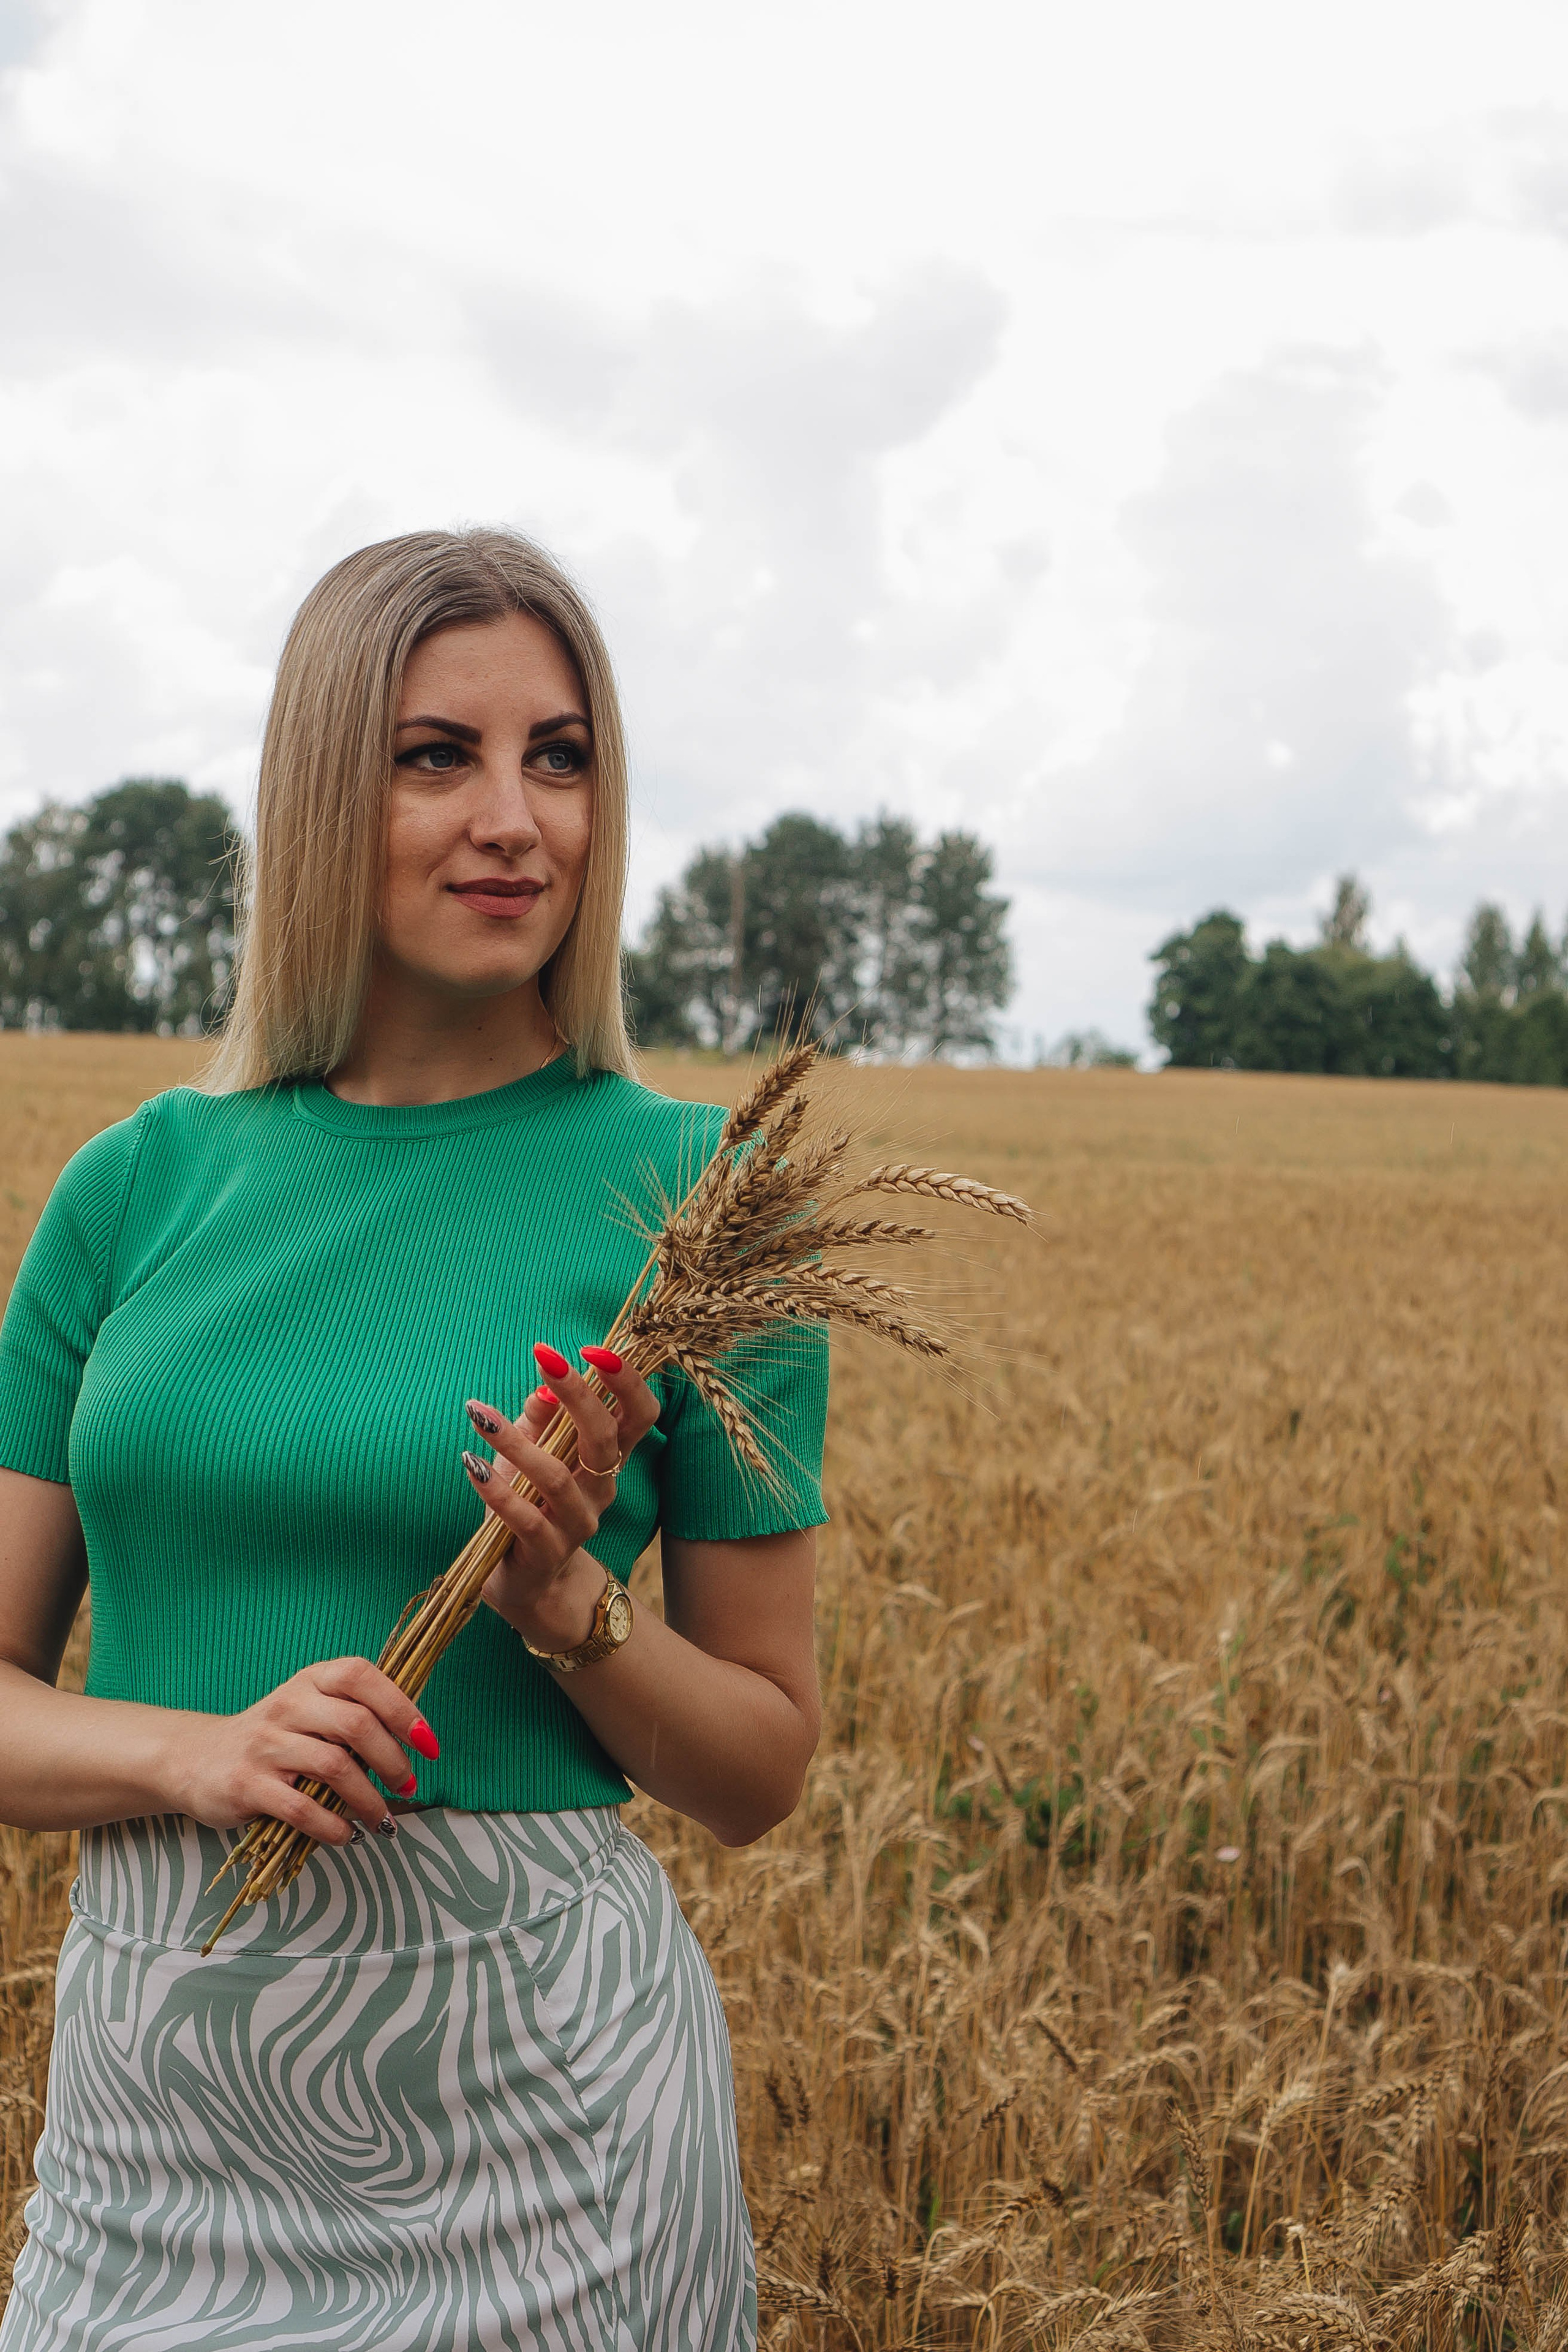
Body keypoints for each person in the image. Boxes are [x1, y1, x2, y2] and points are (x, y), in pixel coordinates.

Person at [0, 529, 827, 2352]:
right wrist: (197, 1757)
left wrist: (568, 1610)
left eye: (562, 755)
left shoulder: (707, 1205)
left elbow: (763, 1768)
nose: (514, 818)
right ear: (320, 791)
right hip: (157, 2135)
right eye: (435, 755)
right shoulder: (135, 1190)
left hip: (547, 2124)